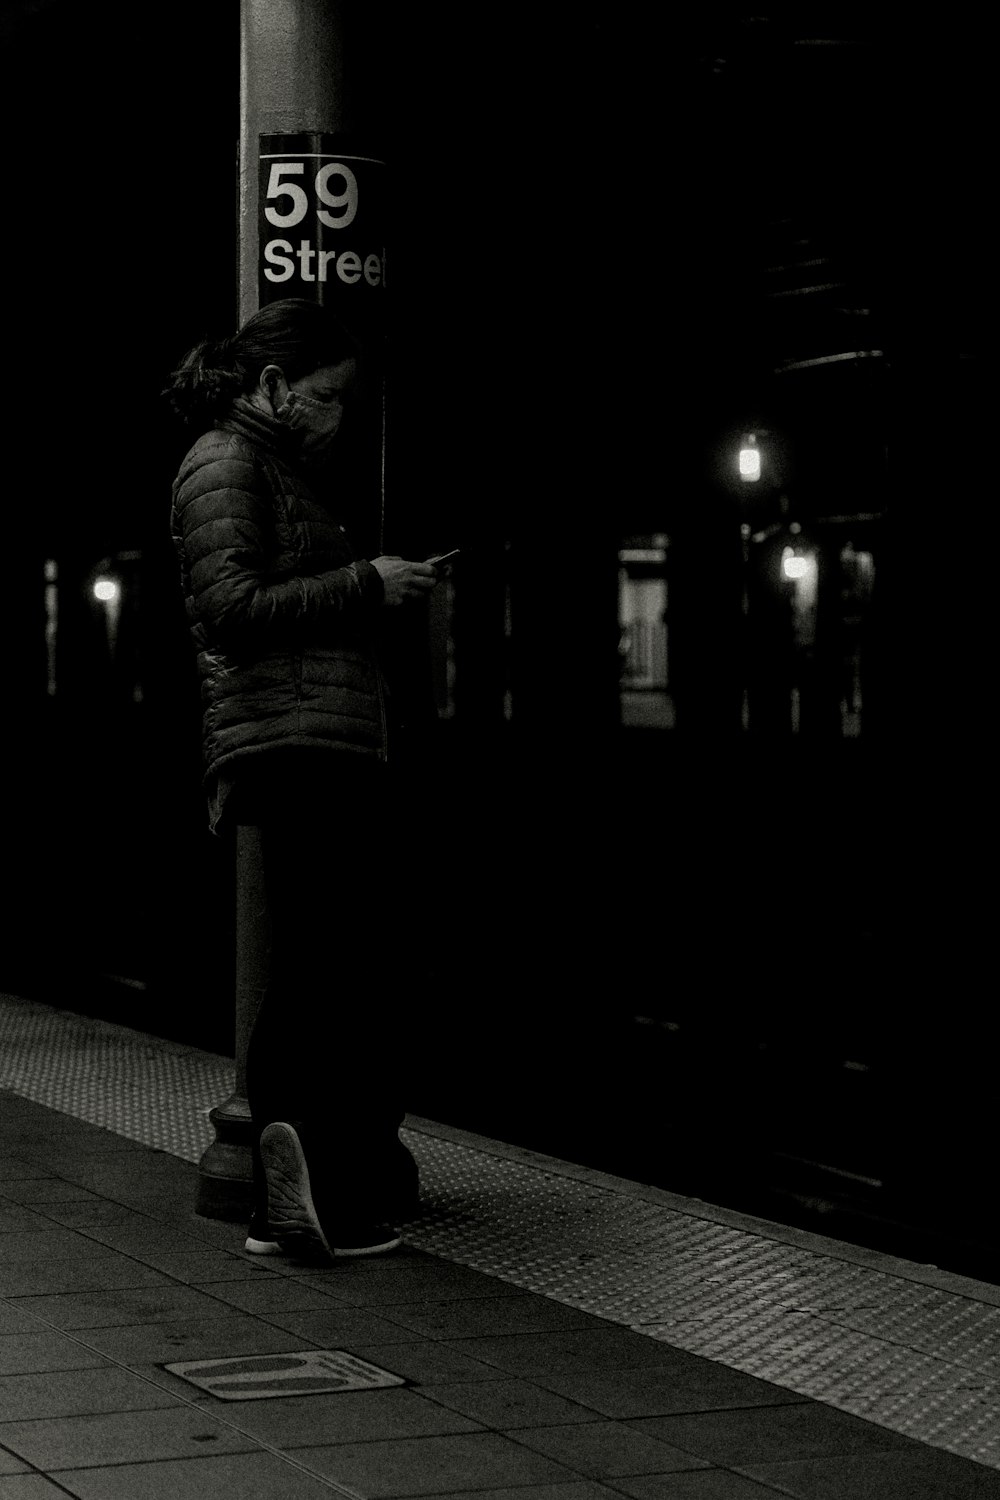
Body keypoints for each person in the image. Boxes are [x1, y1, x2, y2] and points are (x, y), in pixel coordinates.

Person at [165, 297, 440, 1261]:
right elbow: (229, 608)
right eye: (326, 395)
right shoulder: (225, 463)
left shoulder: (266, 462)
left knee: (328, 961)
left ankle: (300, 1178)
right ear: (275, 386)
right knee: (333, 964)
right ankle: (307, 1182)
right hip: (290, 743)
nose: (337, 415)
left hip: (313, 738)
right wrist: (367, 583)